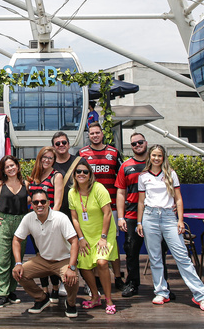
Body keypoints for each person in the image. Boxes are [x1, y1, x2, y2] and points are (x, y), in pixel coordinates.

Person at [137, 145, 204, 312]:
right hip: (149, 216)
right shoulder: (143, 176)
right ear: (150, 157)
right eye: (154, 155)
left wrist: (180, 220)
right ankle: (161, 292)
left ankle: (200, 295)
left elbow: (178, 199)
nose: (156, 158)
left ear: (163, 157)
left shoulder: (171, 174)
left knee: (182, 256)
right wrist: (139, 222)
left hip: (169, 217)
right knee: (155, 257)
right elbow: (141, 201)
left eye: (159, 156)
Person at [12, 188, 80, 319]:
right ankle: (42, 298)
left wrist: (71, 267)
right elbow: (16, 239)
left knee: (72, 278)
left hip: (63, 260)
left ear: (49, 203)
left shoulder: (60, 218)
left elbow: (74, 241)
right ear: (31, 205)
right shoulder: (28, 218)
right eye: (36, 202)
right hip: (43, 260)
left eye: (43, 201)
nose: (39, 205)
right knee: (19, 273)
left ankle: (70, 303)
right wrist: (18, 263)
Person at [78, 122, 124, 290]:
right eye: (92, 133)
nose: (95, 135)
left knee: (112, 242)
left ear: (102, 134)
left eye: (98, 132)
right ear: (88, 135)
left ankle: (118, 277)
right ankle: (96, 279)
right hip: (89, 208)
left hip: (110, 206)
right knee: (92, 242)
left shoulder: (114, 152)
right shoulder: (82, 153)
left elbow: (122, 179)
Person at [68, 160, 117, 314]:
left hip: (103, 233)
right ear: (74, 175)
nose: (81, 174)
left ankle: (108, 300)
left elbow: (108, 213)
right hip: (86, 235)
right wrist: (81, 239)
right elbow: (75, 218)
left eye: (85, 172)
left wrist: (103, 237)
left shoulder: (98, 188)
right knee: (84, 266)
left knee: (102, 263)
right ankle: (95, 297)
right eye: (78, 172)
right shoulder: (72, 193)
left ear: (90, 175)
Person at [0, 156, 30, 308]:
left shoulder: (25, 184)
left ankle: (12, 291)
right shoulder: (0, 184)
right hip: (3, 223)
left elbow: (29, 199)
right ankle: (2, 294)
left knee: (17, 259)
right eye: (7, 167)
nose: (10, 169)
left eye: (12, 165)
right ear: (3, 170)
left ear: (17, 166)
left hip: (21, 223)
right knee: (2, 260)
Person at [27, 146, 64, 301]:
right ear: (39, 158)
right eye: (44, 157)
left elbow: (58, 202)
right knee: (39, 256)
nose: (47, 160)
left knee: (50, 257)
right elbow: (29, 198)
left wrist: (51, 223)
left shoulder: (57, 176)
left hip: (49, 223)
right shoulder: (34, 176)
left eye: (50, 158)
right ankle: (44, 289)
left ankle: (55, 288)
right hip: (34, 223)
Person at [115, 132, 148, 298]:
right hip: (133, 216)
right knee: (131, 251)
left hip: (154, 216)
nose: (137, 145)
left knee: (159, 253)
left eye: (140, 142)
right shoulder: (126, 166)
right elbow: (121, 192)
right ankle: (132, 283)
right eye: (134, 144)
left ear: (146, 142)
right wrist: (121, 217)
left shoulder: (157, 162)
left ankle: (162, 285)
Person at [50, 131, 80, 297]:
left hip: (76, 213)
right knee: (57, 251)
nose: (61, 146)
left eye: (63, 142)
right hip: (55, 214)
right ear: (54, 147)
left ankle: (82, 282)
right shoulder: (49, 163)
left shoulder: (79, 161)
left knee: (78, 249)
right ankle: (61, 282)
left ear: (69, 144)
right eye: (57, 144)